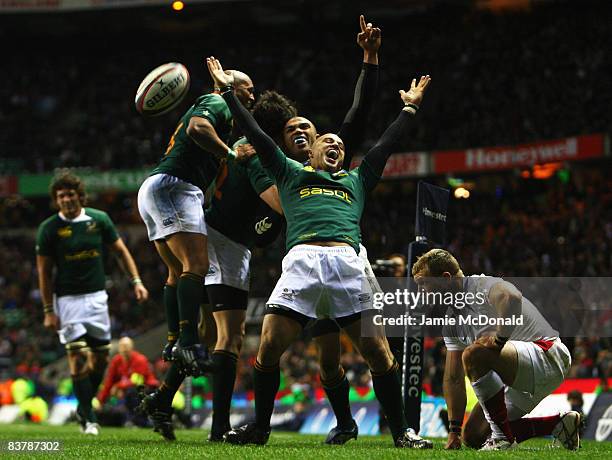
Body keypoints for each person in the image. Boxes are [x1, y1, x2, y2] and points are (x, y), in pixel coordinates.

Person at [207, 55, 432, 448]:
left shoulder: (358, 178)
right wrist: (227, 92)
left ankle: (402, 433)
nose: (335, 144)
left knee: (377, 351)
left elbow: (386, 143)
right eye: (326, 140)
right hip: (302, 265)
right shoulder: (289, 171)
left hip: (347, 264)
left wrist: (409, 108)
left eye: (340, 144)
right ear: (309, 152)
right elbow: (255, 133)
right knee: (269, 347)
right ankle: (261, 427)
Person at [136, 70, 255, 439]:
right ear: (232, 88)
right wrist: (231, 152)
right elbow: (197, 130)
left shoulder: (227, 119)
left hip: (160, 188)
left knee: (178, 274)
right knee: (196, 267)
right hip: (176, 188)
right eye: (248, 88)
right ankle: (183, 342)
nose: (252, 95)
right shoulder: (216, 102)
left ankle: (173, 349)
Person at [411, 248, 582, 451]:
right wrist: (454, 432)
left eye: (423, 284)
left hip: (547, 355)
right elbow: (453, 378)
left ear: (445, 278)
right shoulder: (451, 320)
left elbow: (512, 296)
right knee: (473, 435)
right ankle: (558, 425)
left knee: (474, 354)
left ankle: (503, 440)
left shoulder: (482, 286)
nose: (420, 292)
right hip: (518, 376)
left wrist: (499, 340)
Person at [36, 172, 149, 436]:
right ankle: (88, 418)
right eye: (61, 196)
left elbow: (121, 251)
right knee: (76, 357)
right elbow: (43, 273)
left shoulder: (98, 220)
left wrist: (136, 281)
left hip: (97, 298)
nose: (66, 199)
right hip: (67, 301)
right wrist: (48, 310)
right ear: (56, 199)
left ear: (80, 195)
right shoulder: (49, 229)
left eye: (70, 194)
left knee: (99, 360)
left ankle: (84, 405)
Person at [97, 337, 158, 425]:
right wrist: (100, 401)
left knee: (131, 392)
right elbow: (109, 381)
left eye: (126, 346)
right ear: (119, 348)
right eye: (122, 346)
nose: (124, 348)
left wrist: (118, 386)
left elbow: (137, 381)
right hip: (128, 392)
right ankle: (129, 419)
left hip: (148, 389)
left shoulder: (140, 359)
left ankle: (140, 421)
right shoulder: (116, 361)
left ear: (132, 348)